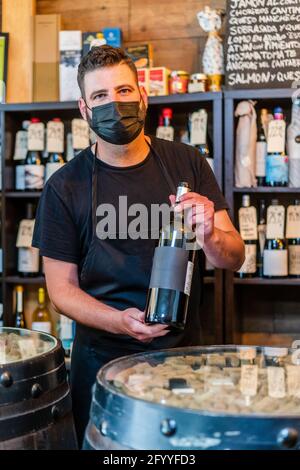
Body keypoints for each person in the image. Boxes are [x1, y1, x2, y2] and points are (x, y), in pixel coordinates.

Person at [32, 45, 245, 446]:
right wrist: (119, 321)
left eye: (124, 91)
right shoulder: (64, 186)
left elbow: (234, 257)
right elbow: (60, 290)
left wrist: (211, 235)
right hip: (101, 362)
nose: (115, 104)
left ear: (143, 96)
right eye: (100, 97)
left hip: (185, 358)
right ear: (84, 108)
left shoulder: (188, 163)